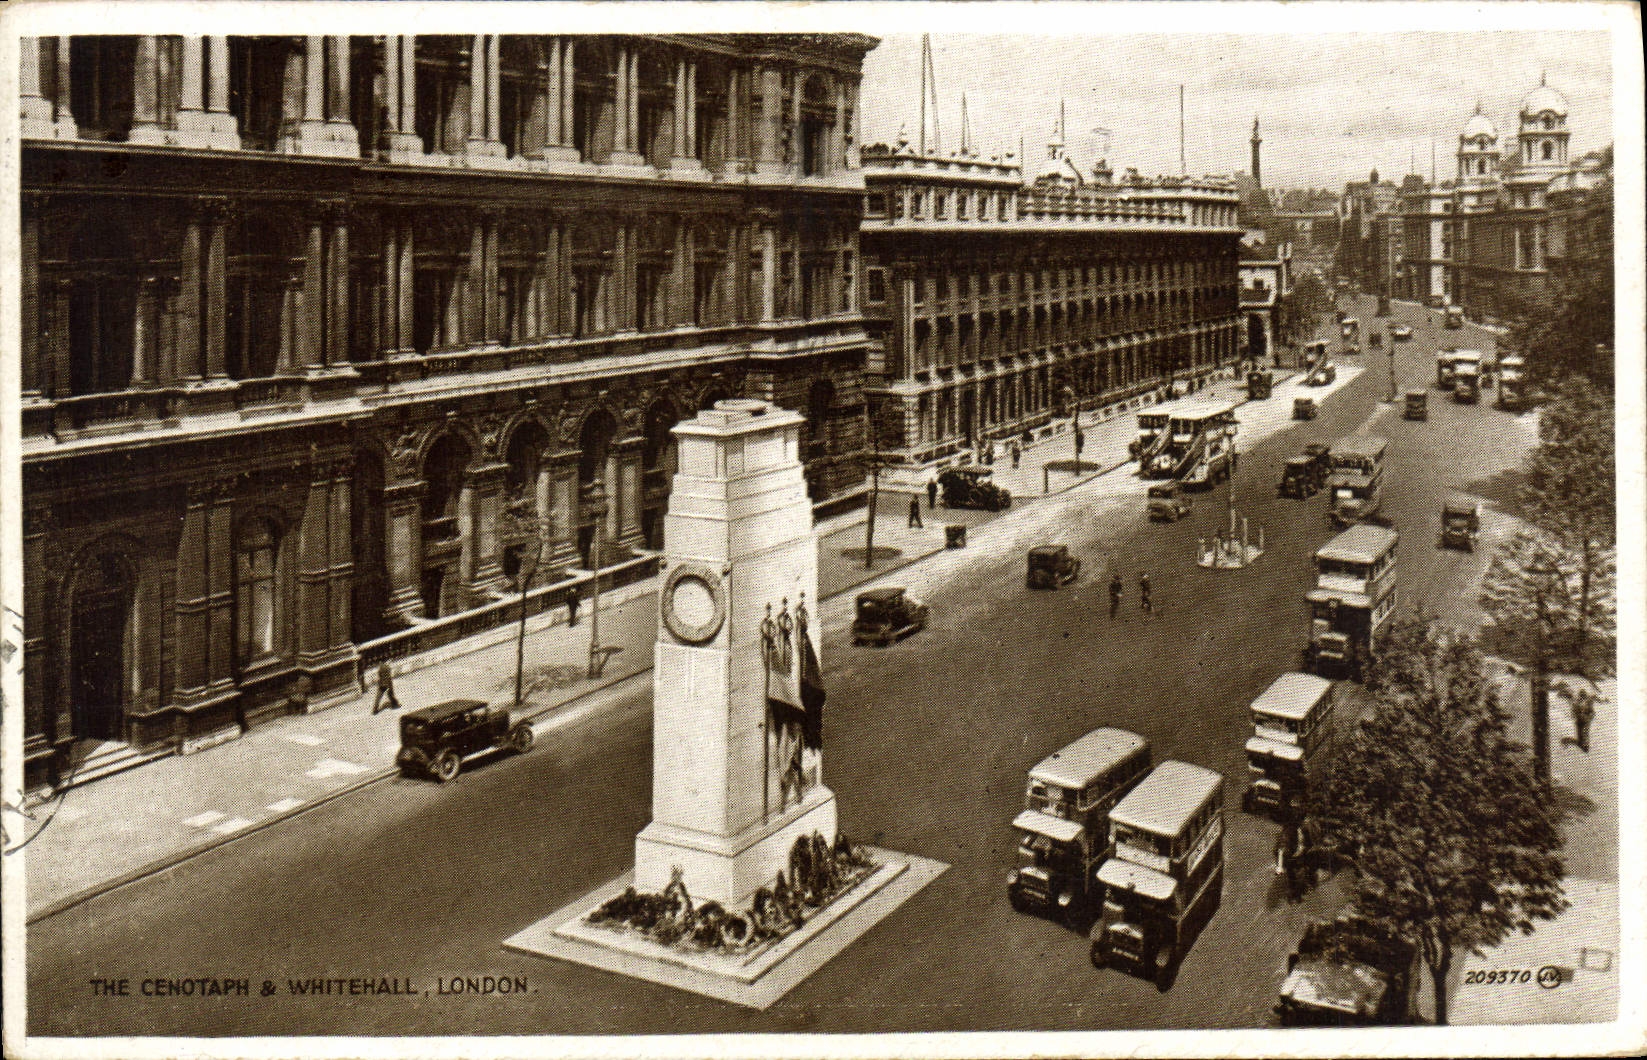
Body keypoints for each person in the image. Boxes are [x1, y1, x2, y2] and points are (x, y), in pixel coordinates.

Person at [1571, 689, 1597, 753]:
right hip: (1579, 720)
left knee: (1585, 733)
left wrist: (1589, 718)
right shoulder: (1577, 702)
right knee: (1579, 733)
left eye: (1583, 695)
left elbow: (1592, 712)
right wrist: (1575, 715)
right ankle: (1580, 744)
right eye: (1581, 695)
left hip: (1586, 721)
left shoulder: (1588, 703)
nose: (1582, 697)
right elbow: (1573, 711)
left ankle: (1586, 747)